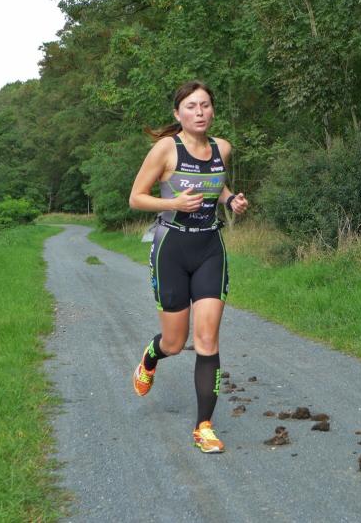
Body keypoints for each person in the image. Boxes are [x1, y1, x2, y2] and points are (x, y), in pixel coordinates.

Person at [128, 80, 248, 453]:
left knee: (207, 339)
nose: (200, 112)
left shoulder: (222, 148)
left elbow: (216, 185)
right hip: (172, 250)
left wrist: (230, 200)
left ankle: (204, 427)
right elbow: (136, 198)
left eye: (205, 105)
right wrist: (173, 204)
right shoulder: (166, 149)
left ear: (213, 110)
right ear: (178, 113)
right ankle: (152, 356)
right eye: (192, 106)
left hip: (210, 248)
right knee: (175, 343)